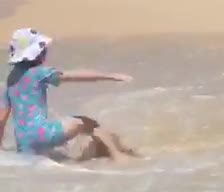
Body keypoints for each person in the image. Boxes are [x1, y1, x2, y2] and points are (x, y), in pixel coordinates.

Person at [0, 28, 138, 162]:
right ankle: (118, 155)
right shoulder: (39, 72)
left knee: (63, 159)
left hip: (24, 143)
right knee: (86, 122)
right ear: (37, 53)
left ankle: (86, 160)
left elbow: (2, 118)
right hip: (43, 133)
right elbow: (74, 76)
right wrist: (110, 76)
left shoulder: (11, 80)